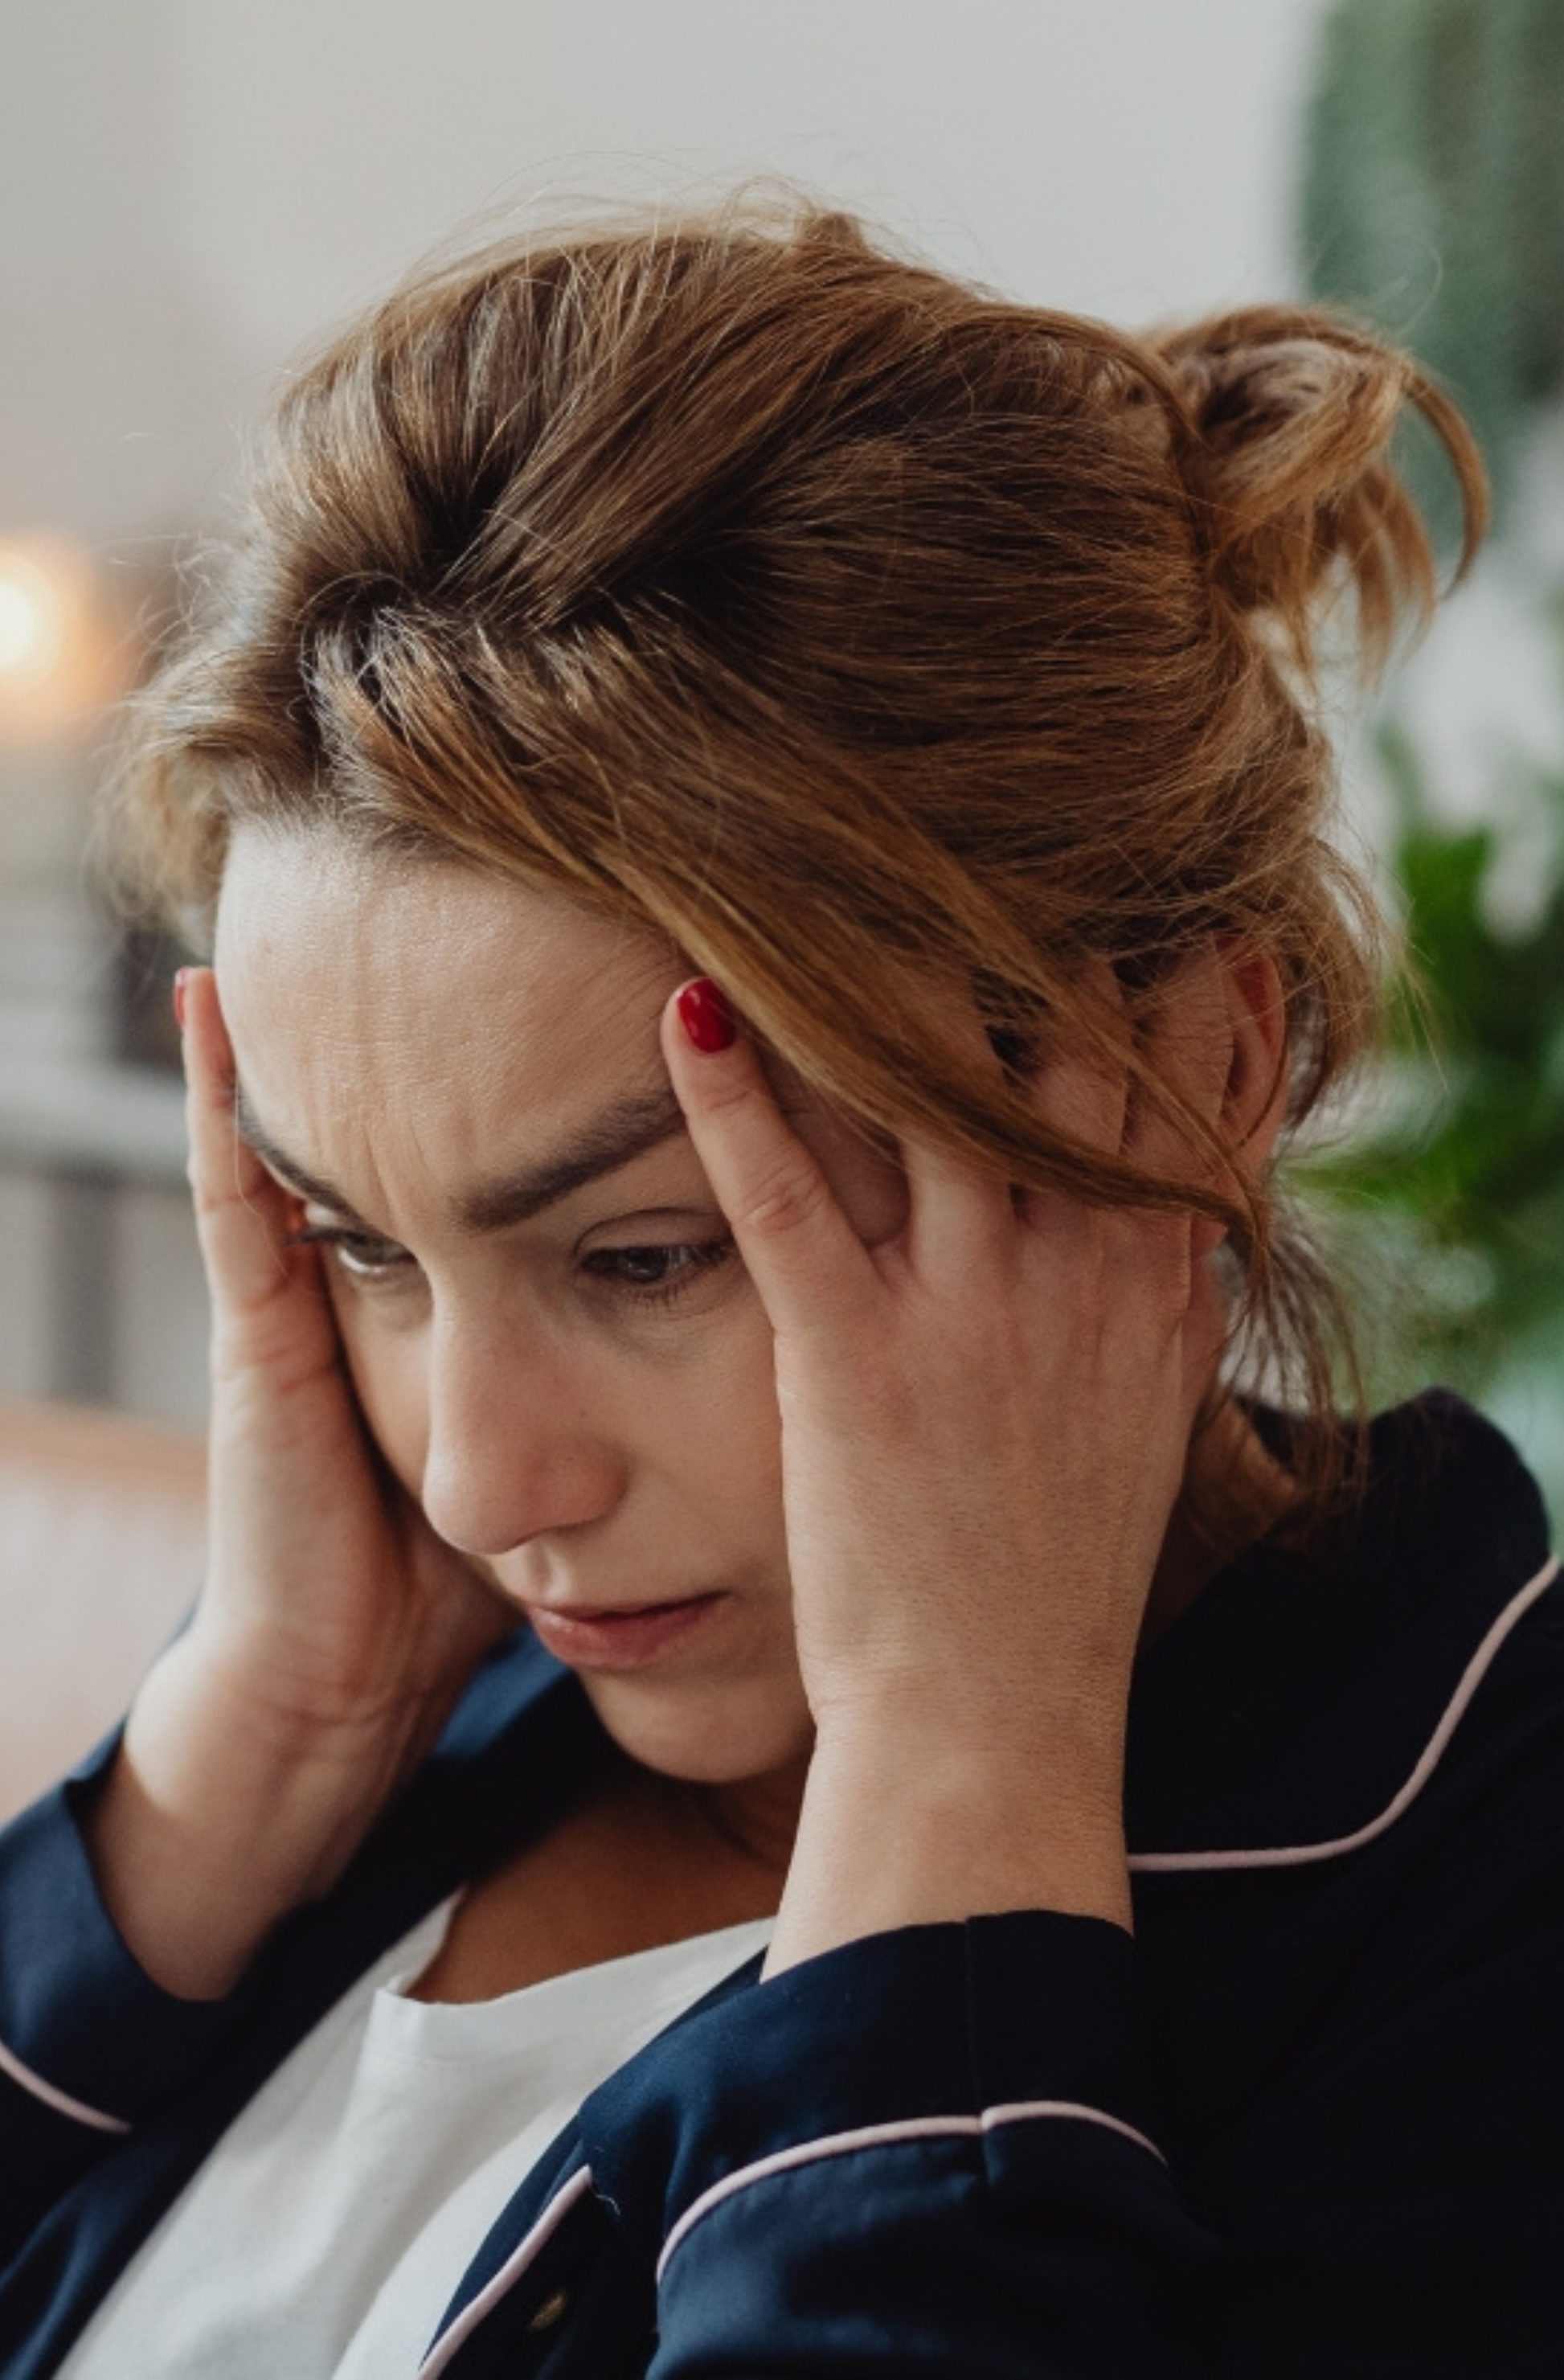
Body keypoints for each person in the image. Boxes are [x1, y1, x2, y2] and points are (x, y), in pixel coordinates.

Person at [0, 198, 1557, 2379]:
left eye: (647, 1253)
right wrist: (234, 1767)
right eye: (365, 1245)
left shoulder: (1465, 1913)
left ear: (1186, 1076)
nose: (480, 1481)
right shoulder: (396, 1734)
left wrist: (963, 1767)